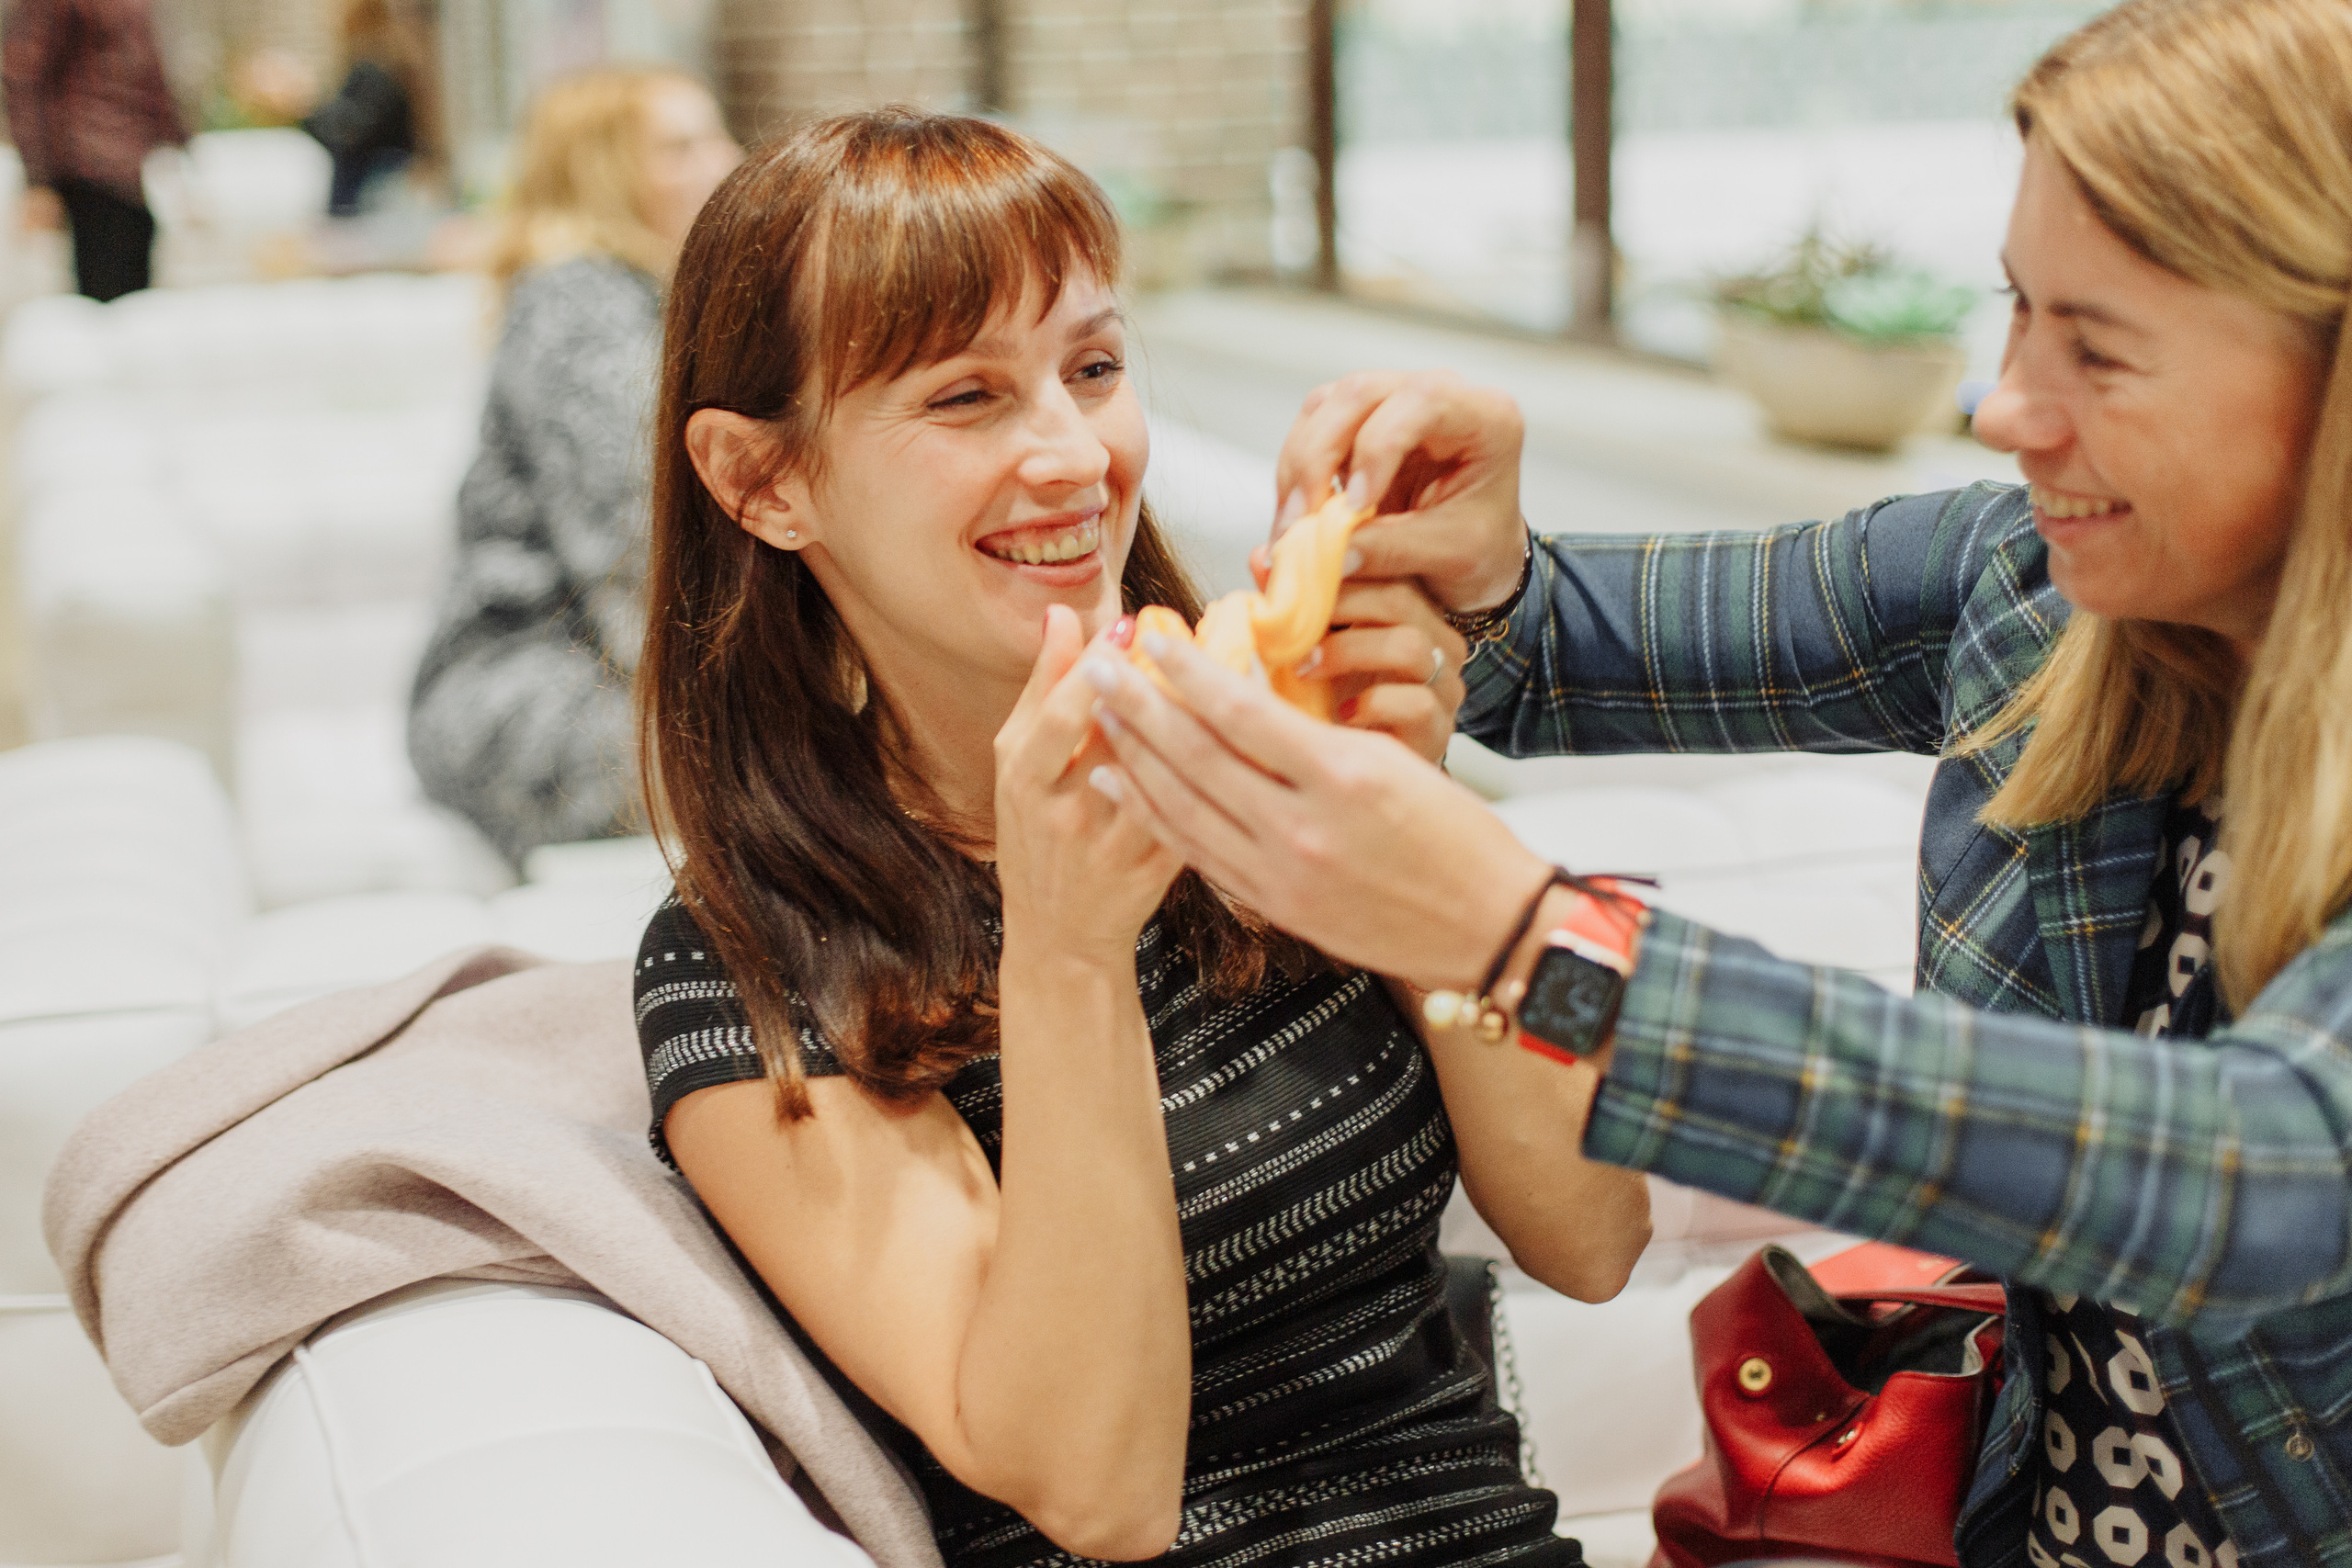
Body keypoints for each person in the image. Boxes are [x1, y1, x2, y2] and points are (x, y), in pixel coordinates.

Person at [1084, 2, 2352, 1563]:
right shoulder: (2032, 587)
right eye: (2015, 311)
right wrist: (1477, 568)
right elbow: (1574, 644)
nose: (2004, 404)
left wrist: (1526, 943)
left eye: (2096, 345)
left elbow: (2264, 1175)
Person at [632, 109, 1650, 1567]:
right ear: (762, 479)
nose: (1072, 454)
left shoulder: (1271, 755)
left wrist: (1423, 832)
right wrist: (1065, 947)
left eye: (1093, 369)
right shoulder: (749, 957)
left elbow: (1594, 1233)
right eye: (965, 397)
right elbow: (1095, 1488)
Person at [407, 66, 738, 867]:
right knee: (798, 772)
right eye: (680, 147)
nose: (726, 162)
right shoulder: (577, 306)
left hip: (607, 682)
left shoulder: (649, 297)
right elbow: (641, 557)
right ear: (604, 176)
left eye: (715, 135)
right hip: (520, 697)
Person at [1, 0, 185, 301]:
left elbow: (150, 74)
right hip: (89, 169)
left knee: (138, 302)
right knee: (105, 304)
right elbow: (25, 78)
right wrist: (38, 181)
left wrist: (180, 154)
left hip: (135, 171)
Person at [300, 0, 436, 217]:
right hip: (381, 193)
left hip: (374, 199)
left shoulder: (375, 69)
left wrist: (302, 105)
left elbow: (349, 134)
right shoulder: (390, 61)